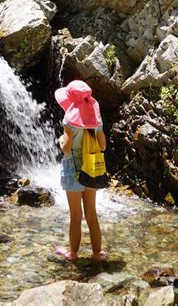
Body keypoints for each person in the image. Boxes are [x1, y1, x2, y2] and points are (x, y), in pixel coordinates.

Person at [54, 79, 107, 263]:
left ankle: (73, 253)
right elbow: (102, 145)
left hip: (72, 170)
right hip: (91, 168)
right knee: (91, 214)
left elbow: (67, 148)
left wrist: (61, 140)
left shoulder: (69, 121)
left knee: (76, 216)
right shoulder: (96, 120)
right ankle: (97, 253)